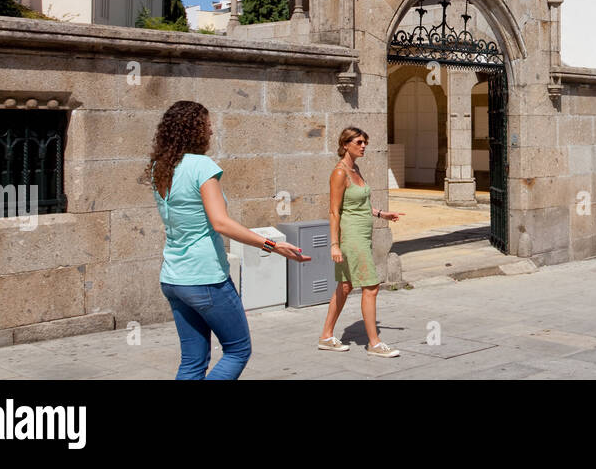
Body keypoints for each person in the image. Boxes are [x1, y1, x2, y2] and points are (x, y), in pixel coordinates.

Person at [147, 100, 309, 380]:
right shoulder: (202, 166)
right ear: (194, 130)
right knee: (237, 350)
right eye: (207, 126)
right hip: (205, 277)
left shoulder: (160, 167)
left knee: (192, 361)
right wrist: (273, 244)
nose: (211, 132)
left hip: (173, 277)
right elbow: (220, 222)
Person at [318, 126, 405, 357]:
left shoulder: (355, 168)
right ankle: (374, 344)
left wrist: (381, 214)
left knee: (345, 286)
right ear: (345, 144)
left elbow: (360, 205)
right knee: (371, 286)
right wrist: (334, 244)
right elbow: (334, 211)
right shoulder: (340, 173)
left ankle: (326, 336)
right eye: (358, 142)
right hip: (351, 237)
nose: (363, 145)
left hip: (363, 235)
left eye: (365, 142)